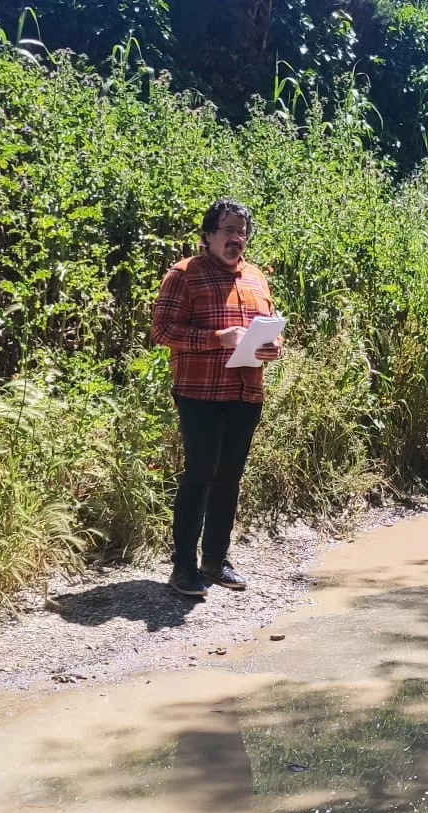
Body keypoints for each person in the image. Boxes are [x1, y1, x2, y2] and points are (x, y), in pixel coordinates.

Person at [151, 199, 283, 597]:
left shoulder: (256, 277)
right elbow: (162, 331)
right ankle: (183, 569)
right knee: (199, 478)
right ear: (208, 235)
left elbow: (273, 330)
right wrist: (217, 340)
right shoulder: (184, 275)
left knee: (229, 480)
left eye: (242, 231)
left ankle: (215, 561)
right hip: (202, 394)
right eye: (228, 230)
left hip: (247, 393)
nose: (236, 238)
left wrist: (273, 346)